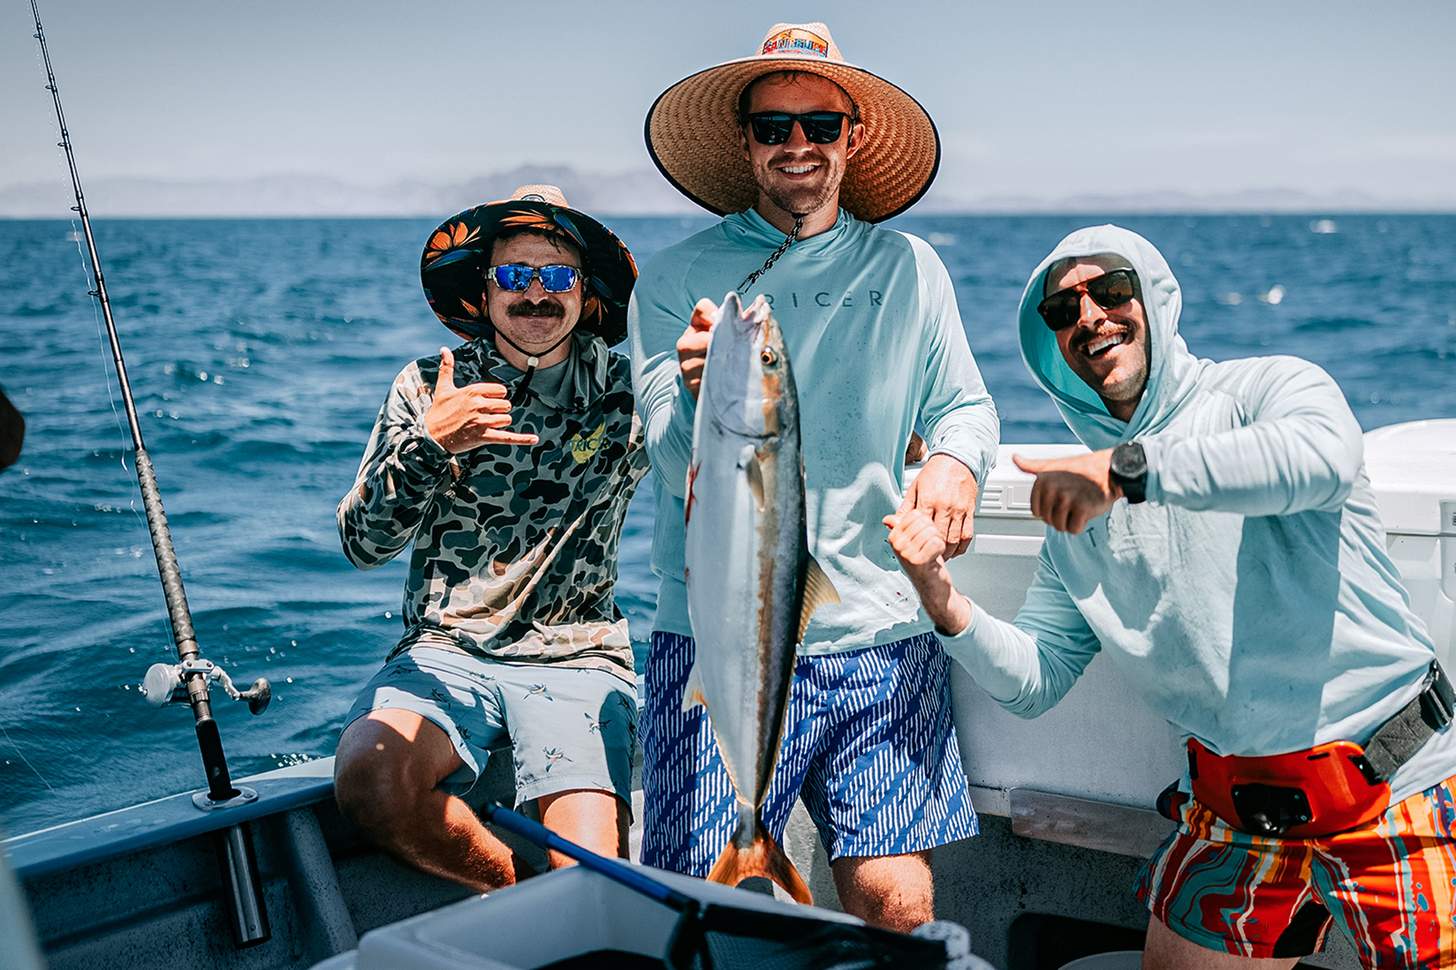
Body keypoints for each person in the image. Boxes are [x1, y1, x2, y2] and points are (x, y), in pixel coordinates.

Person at [886, 223, 1456, 968]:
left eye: (1112, 291)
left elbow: (1322, 458)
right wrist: (940, 598)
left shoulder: (1264, 391)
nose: (1089, 316)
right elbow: (1034, 681)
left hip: (1394, 786)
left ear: (1154, 298)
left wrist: (1123, 470)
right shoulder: (1074, 512)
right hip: (1232, 813)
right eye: (1062, 311)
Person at [630, 22, 1000, 930]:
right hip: (710, 637)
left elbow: (966, 405)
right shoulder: (674, 280)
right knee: (707, 913)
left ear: (854, 137)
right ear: (745, 141)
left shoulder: (911, 269)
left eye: (821, 125)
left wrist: (954, 459)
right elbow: (665, 453)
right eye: (773, 126)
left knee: (897, 896)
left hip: (880, 631)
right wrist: (692, 391)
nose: (798, 144)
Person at [333, 185, 648, 891]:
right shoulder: (424, 386)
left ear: (583, 288)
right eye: (514, 275)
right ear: (484, 289)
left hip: (578, 656)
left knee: (593, 872)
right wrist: (430, 446)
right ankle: (524, 896)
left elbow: (739, 448)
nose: (534, 293)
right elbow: (359, 544)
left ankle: (571, 903)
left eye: (555, 276)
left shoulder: (631, 392)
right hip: (445, 652)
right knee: (371, 780)